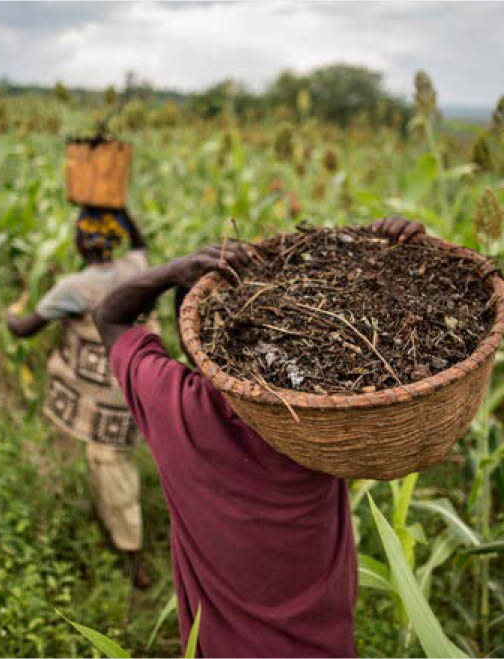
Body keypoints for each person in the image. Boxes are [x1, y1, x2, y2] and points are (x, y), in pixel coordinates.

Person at [92, 217, 426, 657]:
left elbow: (109, 316)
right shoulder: (318, 420)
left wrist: (175, 269)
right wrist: (388, 244)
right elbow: (386, 340)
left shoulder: (174, 407)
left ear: (193, 343)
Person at [6, 205, 154, 589]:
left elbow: (24, 329)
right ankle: (116, 528)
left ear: (80, 242)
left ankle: (133, 557)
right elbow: (141, 245)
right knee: (112, 460)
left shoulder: (74, 288)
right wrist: (123, 210)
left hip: (104, 399)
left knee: (112, 470)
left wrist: (11, 314)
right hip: (138, 387)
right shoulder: (134, 269)